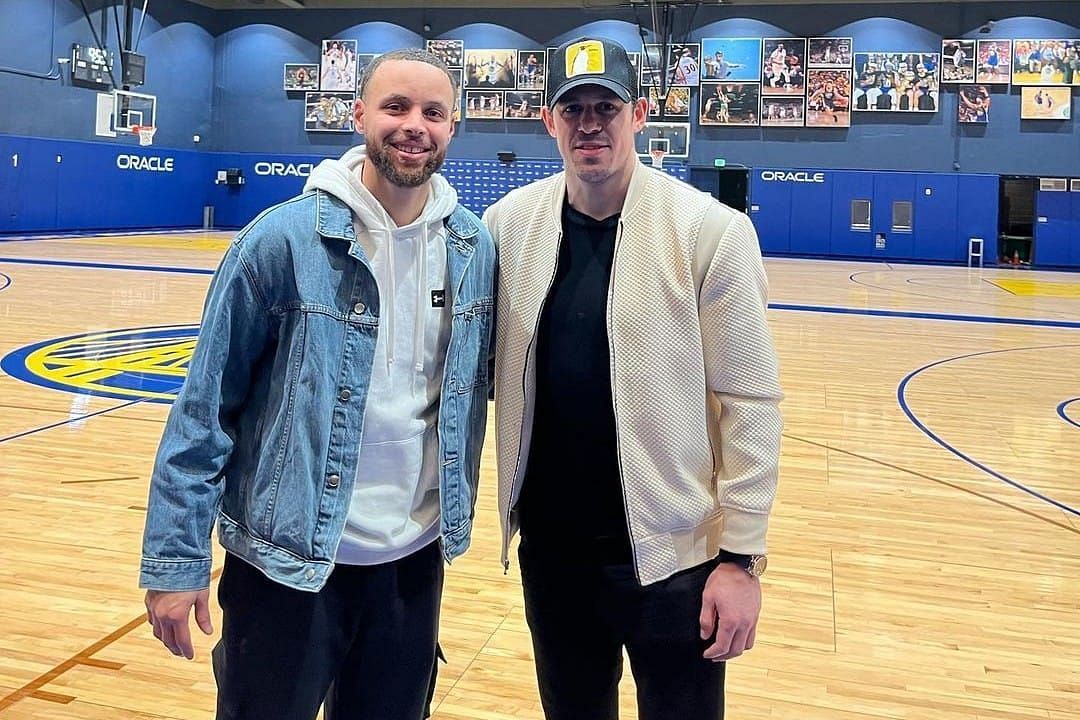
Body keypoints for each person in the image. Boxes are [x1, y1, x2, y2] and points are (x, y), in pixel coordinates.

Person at [139, 47, 496, 720]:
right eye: (395, 107)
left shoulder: (474, 250)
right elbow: (204, 410)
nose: (414, 125)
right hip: (286, 564)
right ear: (358, 114)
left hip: (412, 567)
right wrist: (174, 562)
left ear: (454, 127)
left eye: (433, 112)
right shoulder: (280, 242)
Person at [483, 36, 783, 720]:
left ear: (641, 114)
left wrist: (740, 559)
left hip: (675, 559)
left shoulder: (710, 230)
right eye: (574, 108)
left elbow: (752, 402)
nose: (590, 122)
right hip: (554, 556)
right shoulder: (505, 228)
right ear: (548, 121)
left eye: (607, 106)